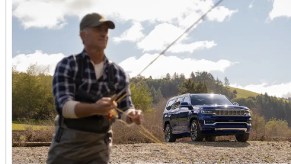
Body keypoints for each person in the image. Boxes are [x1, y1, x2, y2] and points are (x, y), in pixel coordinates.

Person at [47, 12, 143, 164]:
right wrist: (95, 108)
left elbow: (125, 108)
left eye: (106, 30)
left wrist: (133, 115)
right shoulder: (67, 65)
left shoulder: (118, 72)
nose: (104, 33)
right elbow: (63, 106)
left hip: (100, 147)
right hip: (67, 145)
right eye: (98, 29)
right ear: (83, 35)